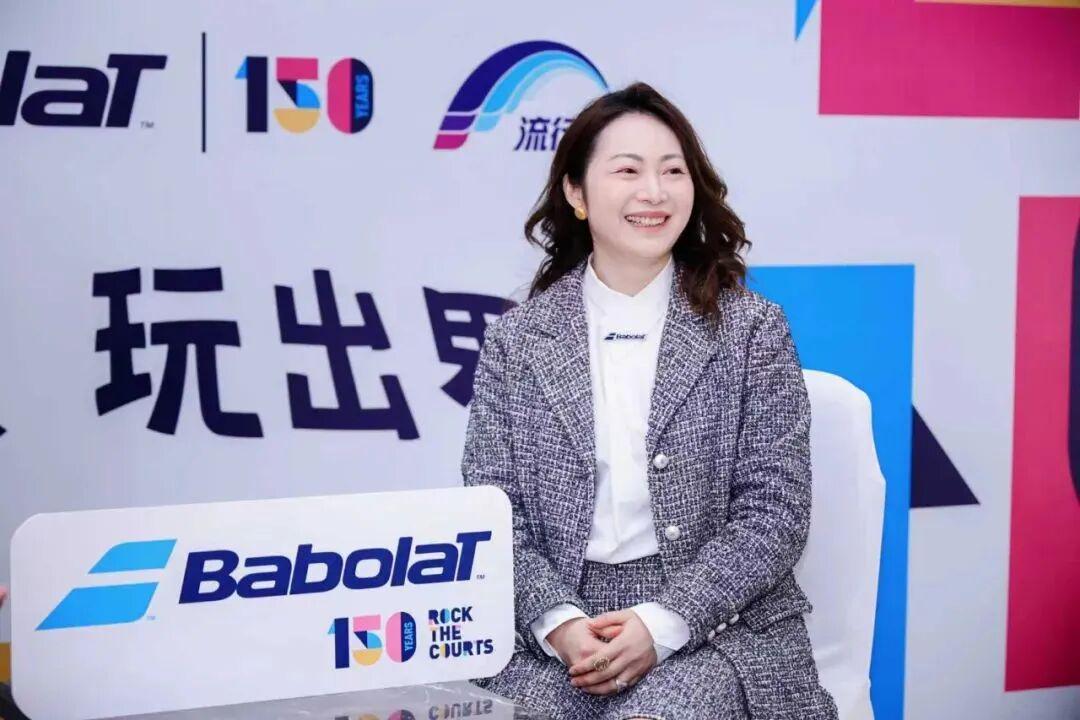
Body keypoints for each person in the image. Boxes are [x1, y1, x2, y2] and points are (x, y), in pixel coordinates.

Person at [461, 82, 838, 720]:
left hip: (718, 627)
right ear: (577, 193)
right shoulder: (516, 341)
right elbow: (493, 514)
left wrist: (663, 621)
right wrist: (558, 623)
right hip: (556, 630)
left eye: (672, 171)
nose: (654, 192)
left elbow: (774, 514)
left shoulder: (751, 330)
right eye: (627, 171)